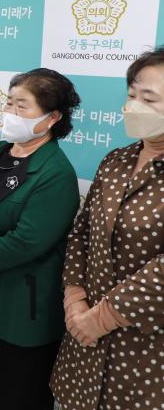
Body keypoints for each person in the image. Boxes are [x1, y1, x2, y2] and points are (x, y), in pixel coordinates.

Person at [0, 68, 81, 410]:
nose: (11, 112)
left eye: (22, 106)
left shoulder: (57, 173)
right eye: (9, 103)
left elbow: (28, 240)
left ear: (52, 118)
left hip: (21, 309)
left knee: (13, 397)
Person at [51, 47, 164, 409]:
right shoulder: (116, 161)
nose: (133, 106)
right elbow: (81, 233)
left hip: (144, 352)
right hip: (83, 338)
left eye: (149, 98)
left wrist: (102, 318)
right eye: (132, 95)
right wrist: (74, 300)